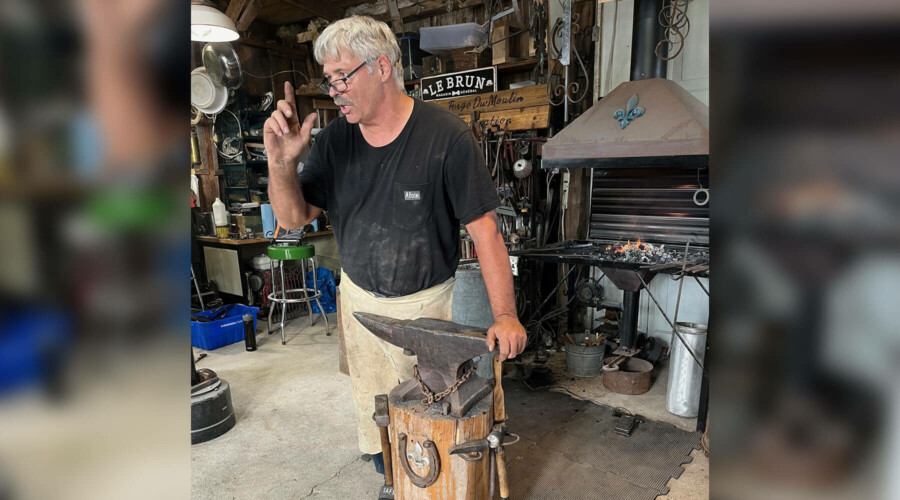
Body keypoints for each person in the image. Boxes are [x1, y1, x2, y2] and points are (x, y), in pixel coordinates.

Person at [265, 15, 526, 481]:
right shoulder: (333, 143)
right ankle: (392, 480)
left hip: (430, 309)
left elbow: (485, 231)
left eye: (341, 76)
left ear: (381, 67)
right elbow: (292, 218)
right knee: (380, 428)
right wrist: (281, 163)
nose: (334, 91)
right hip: (363, 304)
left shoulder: (446, 136)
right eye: (329, 81)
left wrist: (504, 313)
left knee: (438, 429)